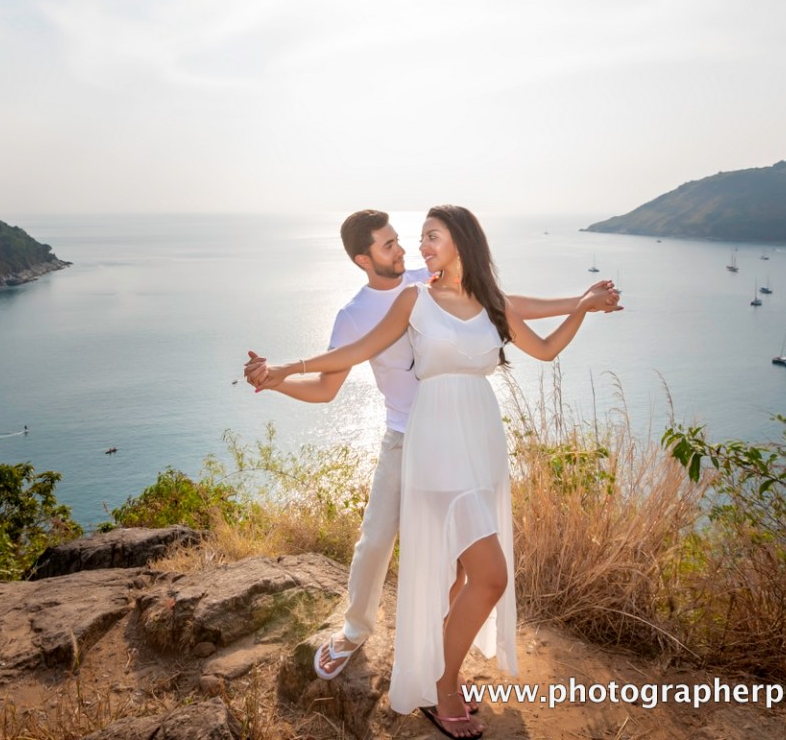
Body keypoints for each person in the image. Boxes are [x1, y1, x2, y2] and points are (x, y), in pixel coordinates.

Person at [251, 206, 620, 738]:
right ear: (363, 258)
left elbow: (534, 335)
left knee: (464, 573)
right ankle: (398, 657)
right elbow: (349, 357)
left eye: (423, 239)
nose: (410, 250)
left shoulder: (459, 291)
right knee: (402, 549)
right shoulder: (398, 301)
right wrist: (283, 371)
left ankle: (439, 668)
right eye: (395, 244)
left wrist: (582, 304)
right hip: (422, 439)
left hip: (481, 444)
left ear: (458, 243)